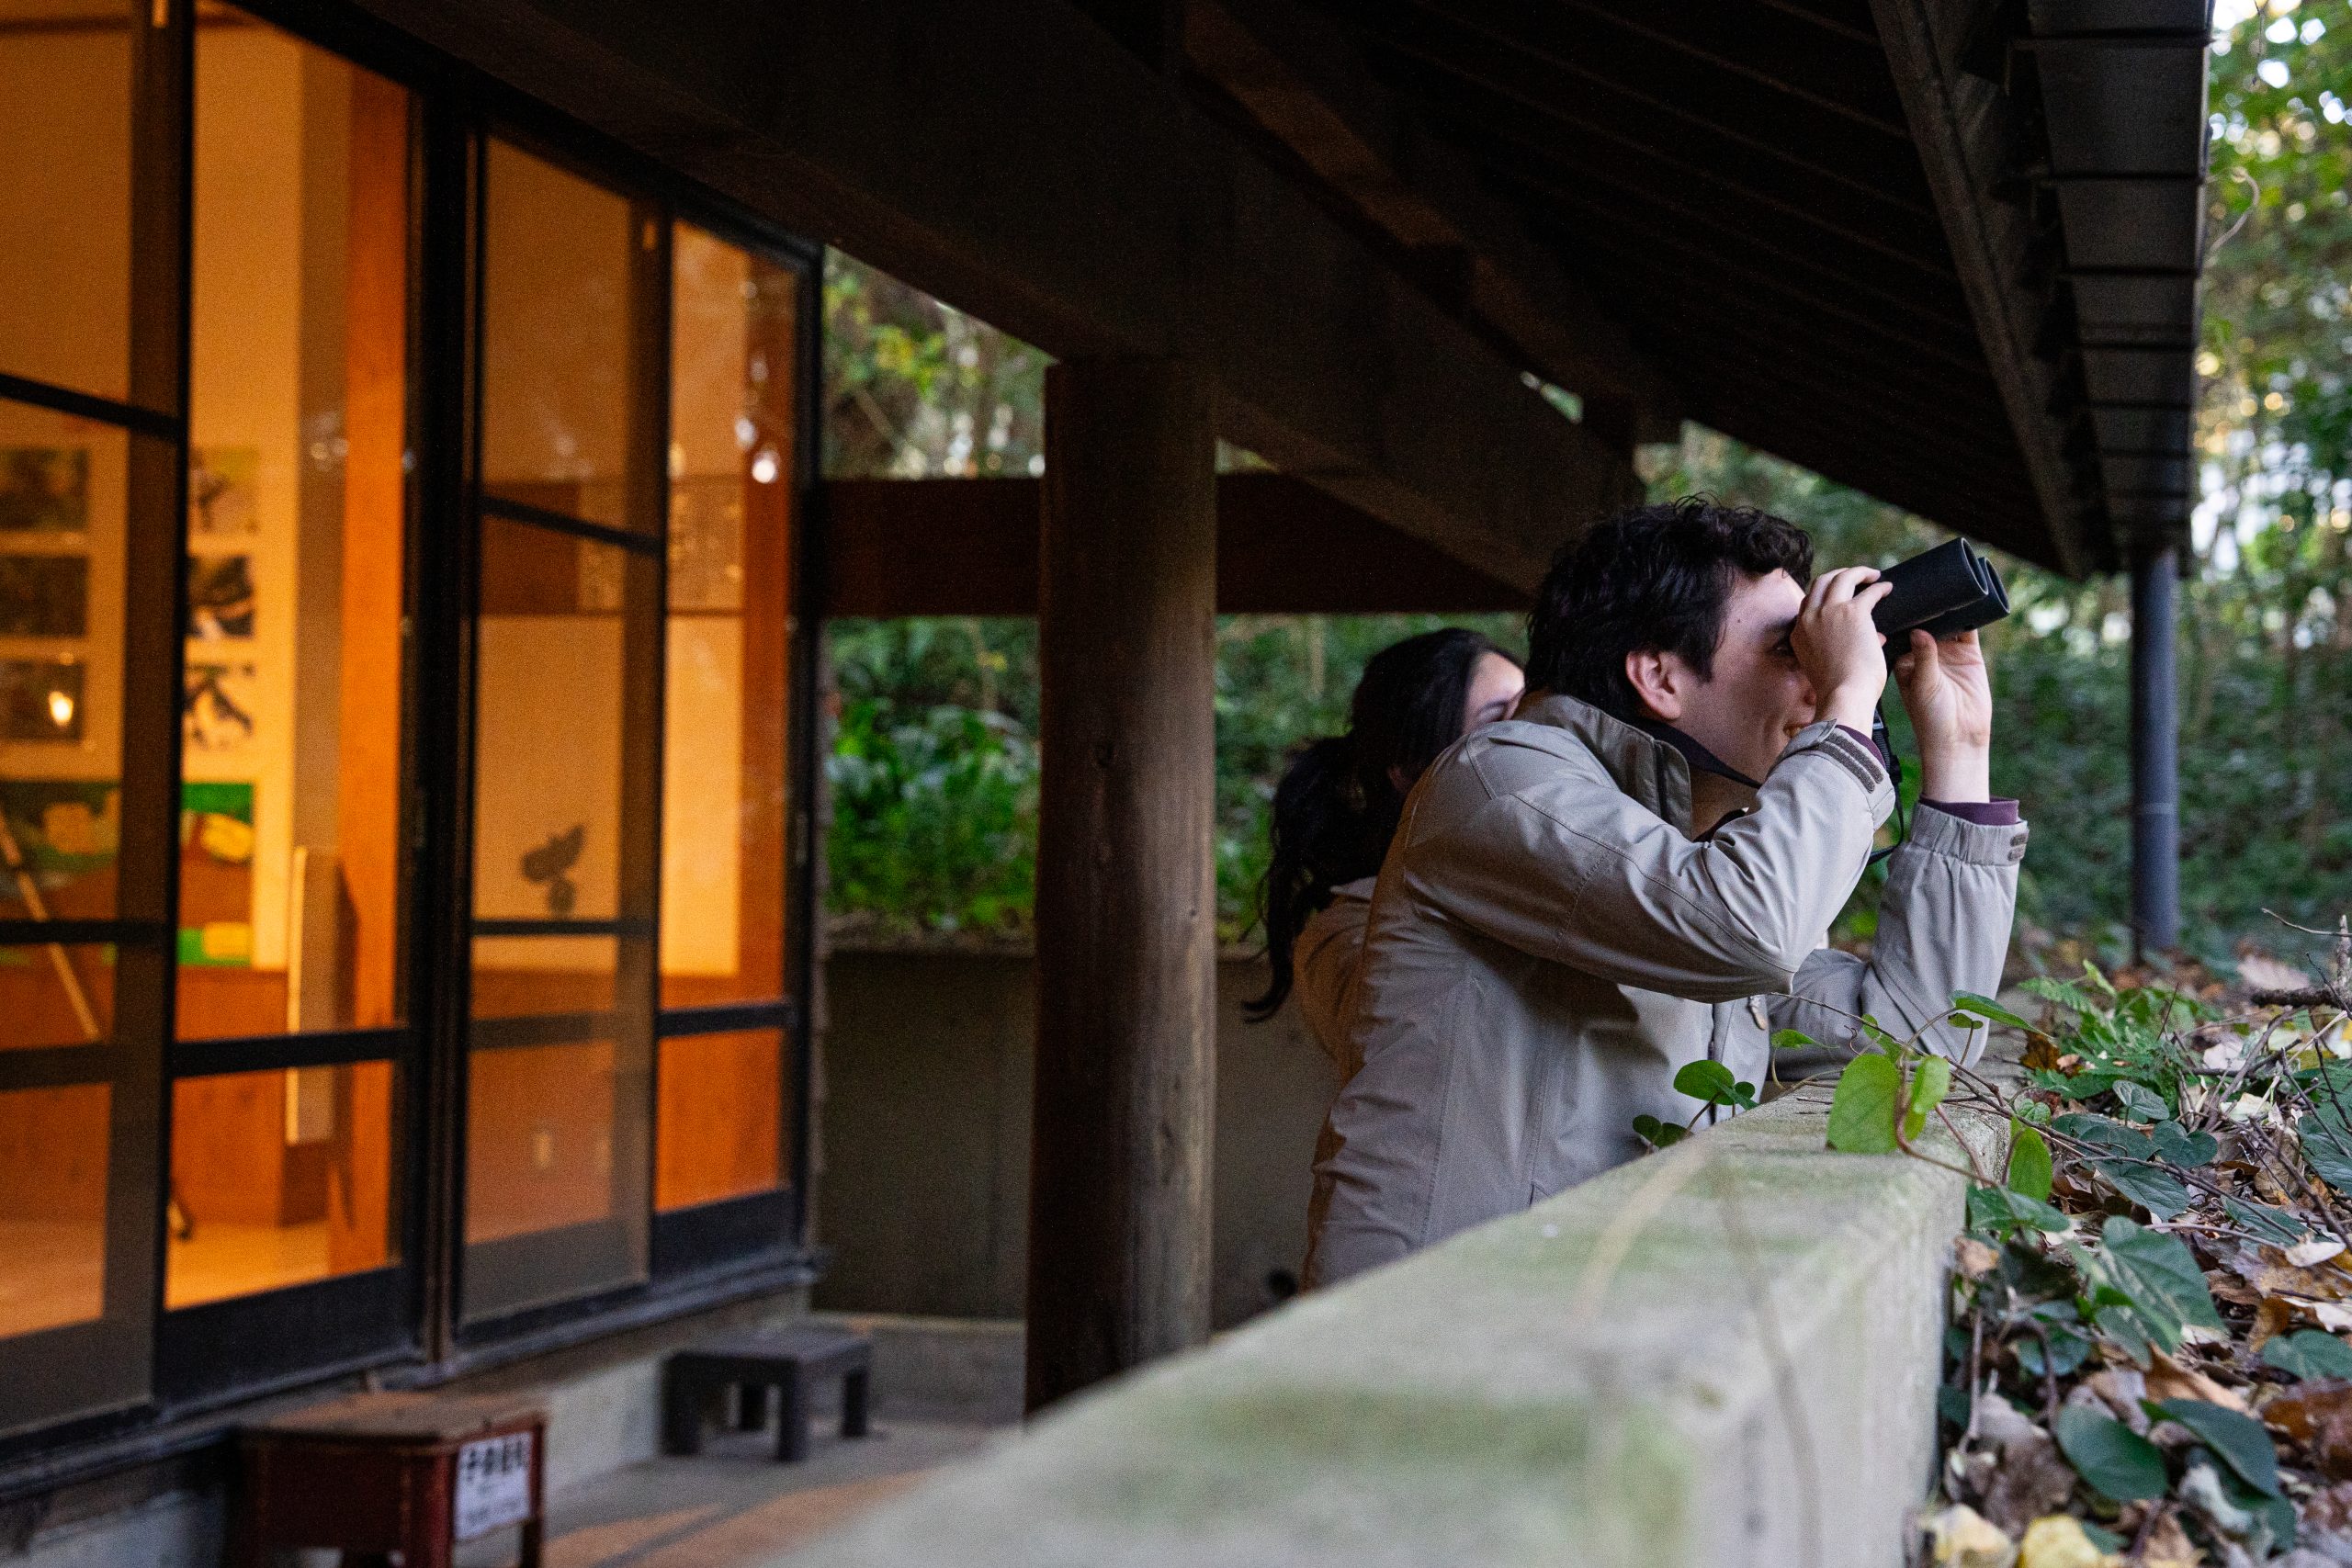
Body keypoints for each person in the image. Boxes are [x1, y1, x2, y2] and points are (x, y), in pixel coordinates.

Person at [1306, 498, 2027, 1287]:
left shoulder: (1688, 855)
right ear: (1659, 675)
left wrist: (1958, 752)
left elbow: (1916, 1040)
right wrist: (1850, 699)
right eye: (1793, 651)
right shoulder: (1500, 780)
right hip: (1434, 1339)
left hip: (1589, 1318)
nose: (1816, 686)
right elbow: (1746, 925)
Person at [1245, 629, 1524, 1075]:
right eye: (1500, 722)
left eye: (1531, 710)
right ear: (1410, 771)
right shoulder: (1348, 934)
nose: (1534, 740)